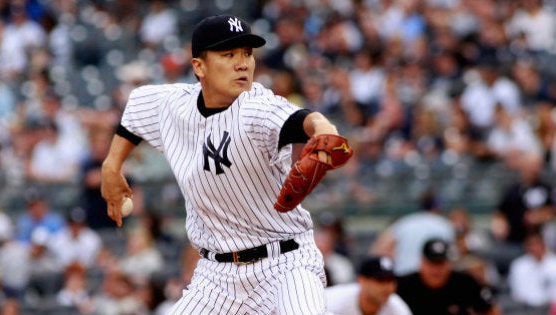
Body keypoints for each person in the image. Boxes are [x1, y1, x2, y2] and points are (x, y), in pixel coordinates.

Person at [101, 14, 352, 314]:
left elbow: (302, 120)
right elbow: (135, 110)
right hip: (216, 277)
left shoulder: (256, 107)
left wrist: (324, 129)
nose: (243, 63)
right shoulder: (172, 104)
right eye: (228, 54)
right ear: (199, 66)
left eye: (247, 53)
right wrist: (111, 167)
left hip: (285, 264)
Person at [396, 238, 499, 315]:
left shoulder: (464, 282)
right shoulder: (404, 285)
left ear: (449, 264)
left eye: (441, 264)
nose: (436, 270)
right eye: (432, 264)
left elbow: (491, 309)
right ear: (421, 263)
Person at [325, 255, 412, 315]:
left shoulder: (396, 307)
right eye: (380, 280)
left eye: (391, 280)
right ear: (362, 281)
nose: (387, 287)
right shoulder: (333, 302)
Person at [508, 230, 556, 308]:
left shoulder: (554, 263)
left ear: (543, 244)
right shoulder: (518, 265)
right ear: (526, 246)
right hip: (526, 309)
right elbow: (517, 293)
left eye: (537, 243)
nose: (534, 248)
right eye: (530, 245)